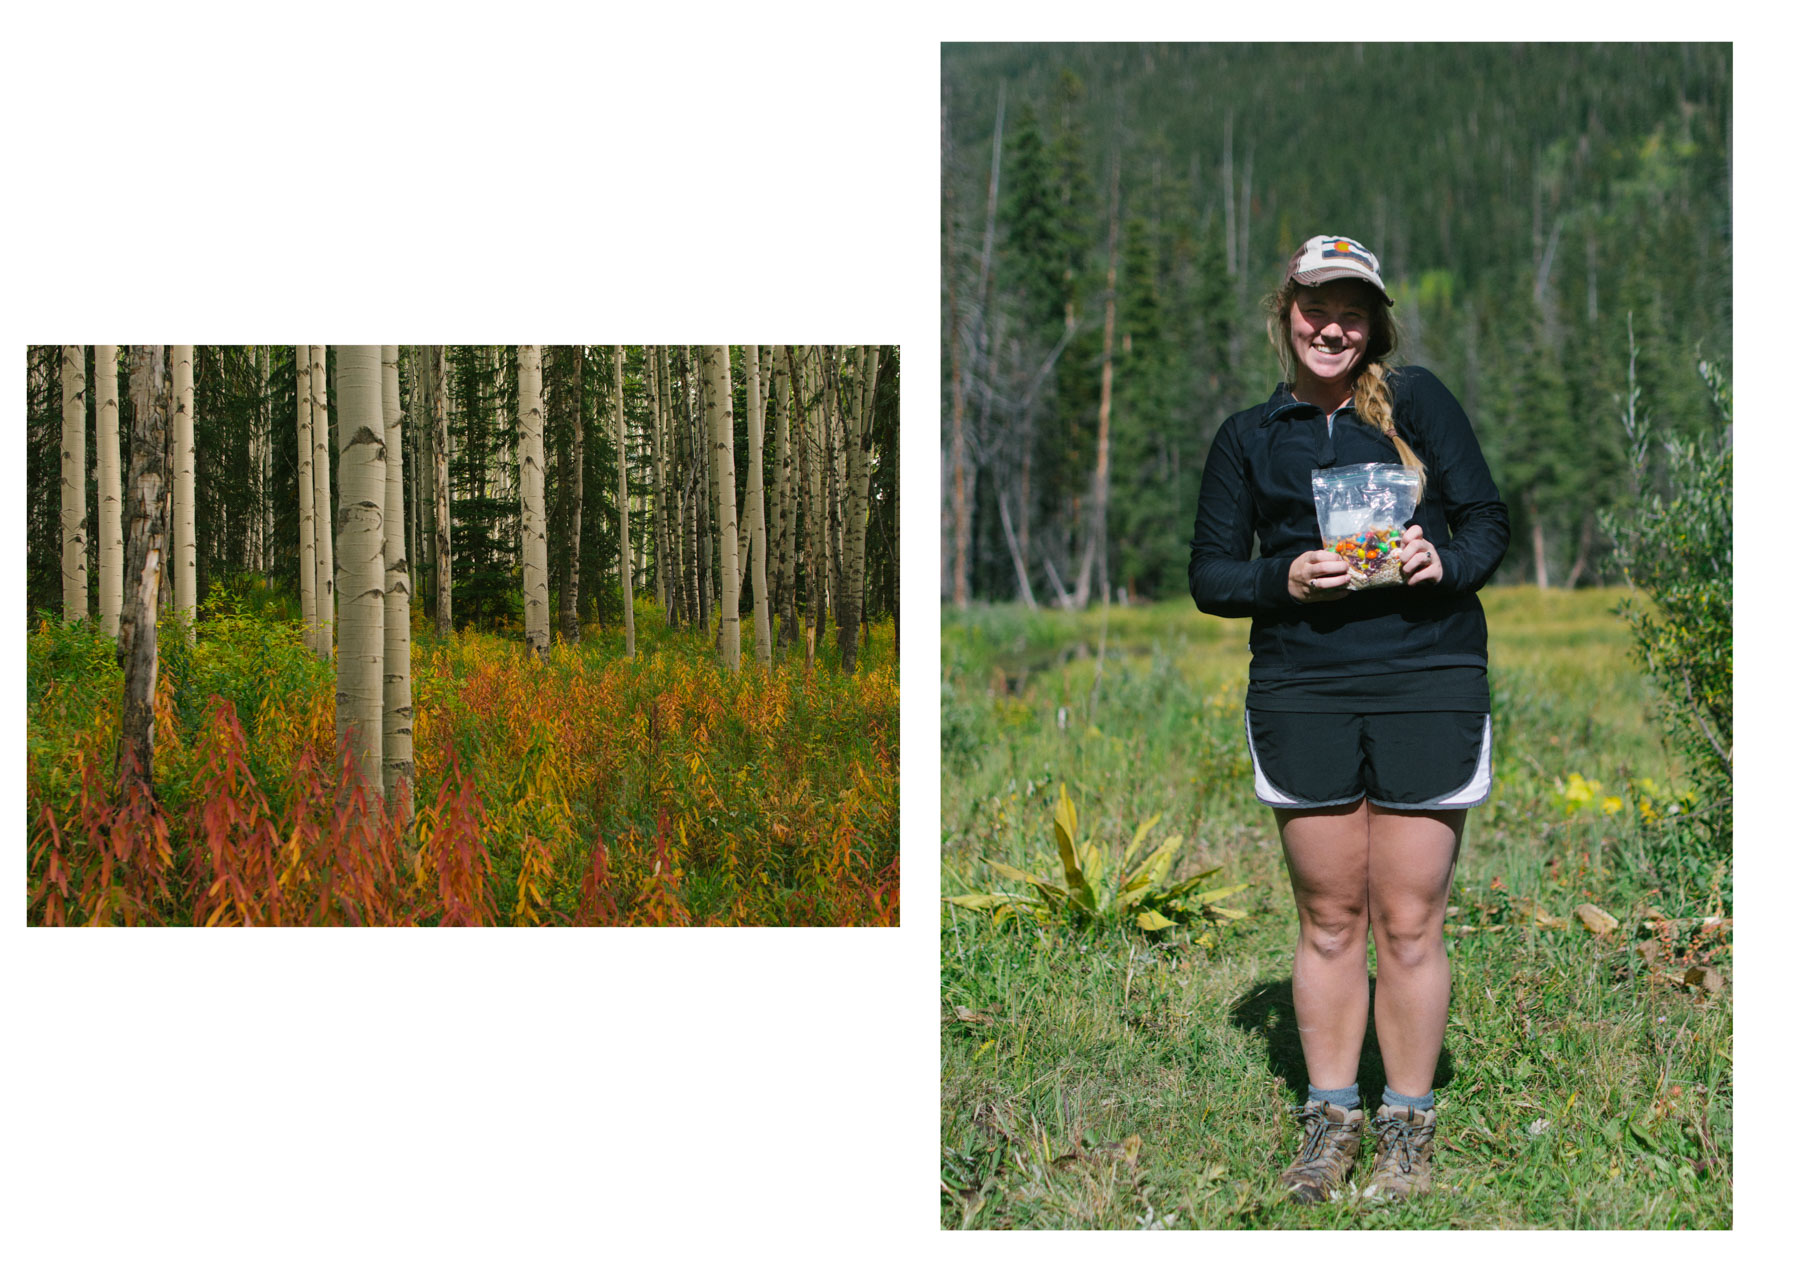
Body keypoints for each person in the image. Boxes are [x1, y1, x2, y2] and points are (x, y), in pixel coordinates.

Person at [1188, 234, 1509, 1202]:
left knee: (1409, 921)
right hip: (1302, 686)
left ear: (1374, 323)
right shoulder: (1250, 436)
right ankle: (1329, 1124)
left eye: (1351, 311)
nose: (1331, 326)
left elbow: (1487, 522)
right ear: (1284, 312)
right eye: (1314, 307)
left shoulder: (1418, 404)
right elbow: (1209, 576)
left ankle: (1406, 1129)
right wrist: (1280, 578)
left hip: (1428, 676)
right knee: (1329, 918)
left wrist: (1440, 563)